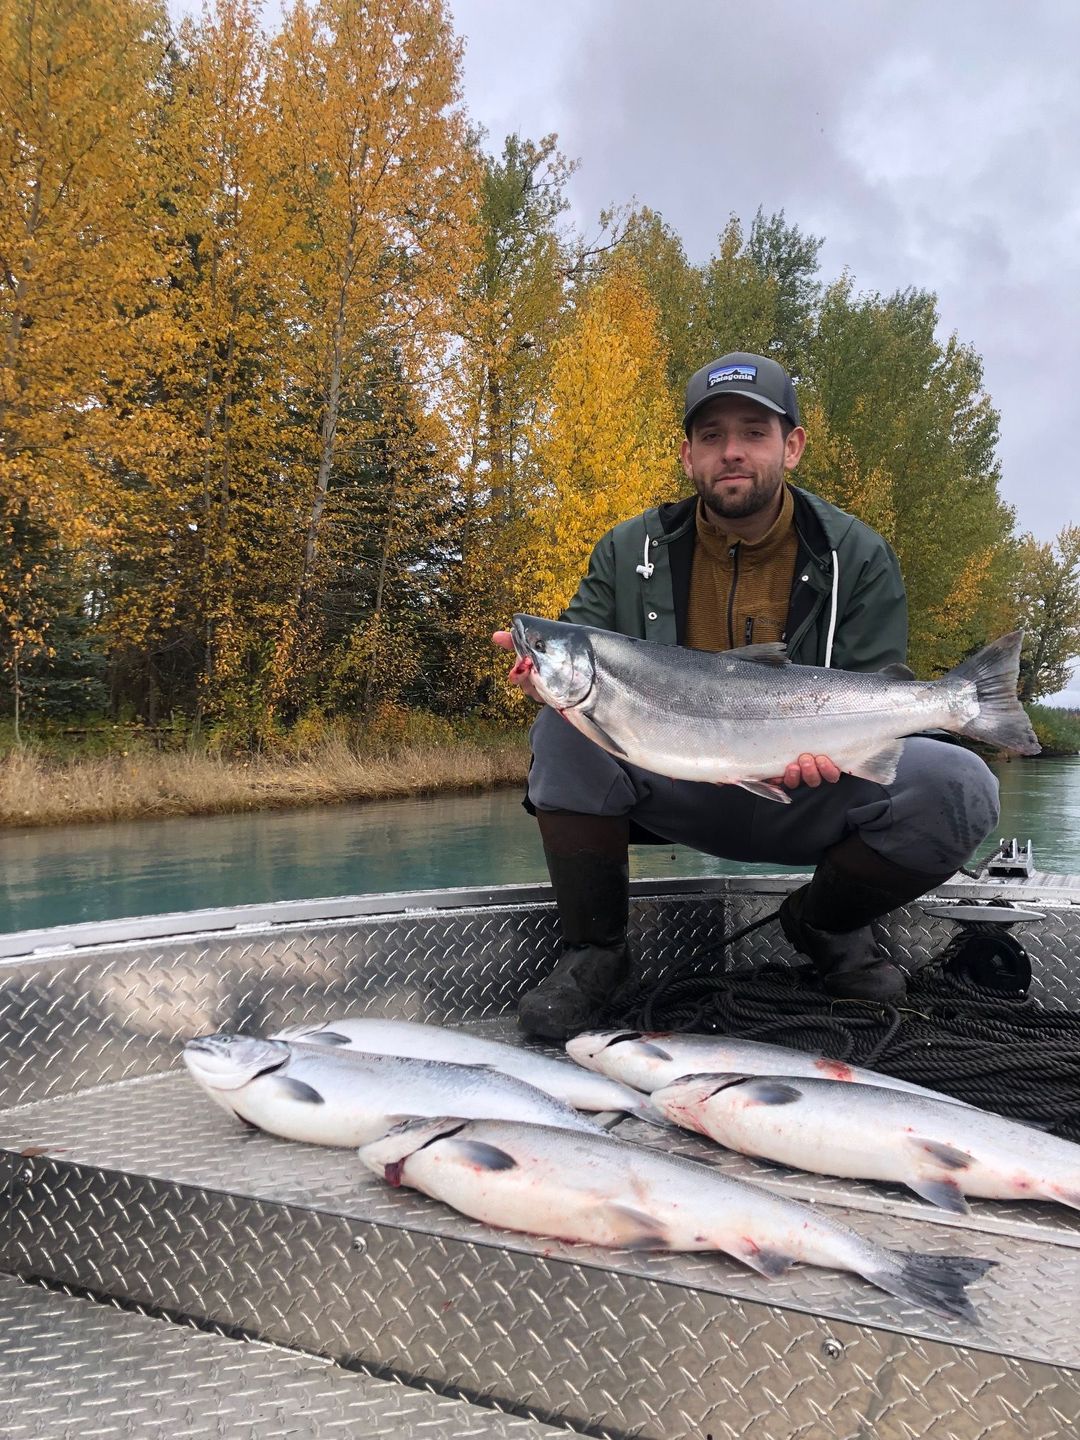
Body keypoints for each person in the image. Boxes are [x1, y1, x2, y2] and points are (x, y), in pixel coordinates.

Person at [493, 351, 1000, 1041]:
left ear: (791, 446)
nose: (732, 452)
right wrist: (538, 682)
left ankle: (825, 923)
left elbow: (876, 690)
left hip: (814, 789)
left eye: (753, 432)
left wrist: (855, 743)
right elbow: (577, 680)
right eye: (711, 436)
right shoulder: (626, 550)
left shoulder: (857, 552)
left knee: (961, 783)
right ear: (687, 455)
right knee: (560, 730)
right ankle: (597, 953)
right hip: (674, 784)